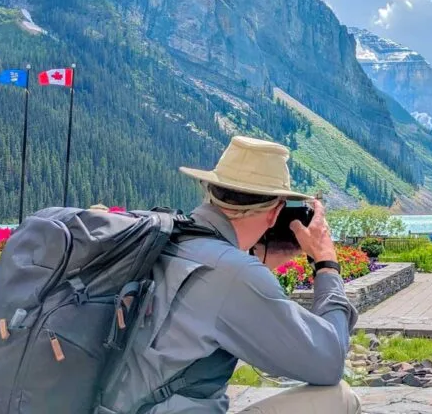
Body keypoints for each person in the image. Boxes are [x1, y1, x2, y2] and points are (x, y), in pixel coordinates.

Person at [100, 136, 361, 414]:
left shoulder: (164, 238)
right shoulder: (232, 273)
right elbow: (329, 361)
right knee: (339, 397)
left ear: (210, 190)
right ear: (275, 213)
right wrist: (326, 264)